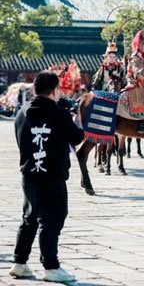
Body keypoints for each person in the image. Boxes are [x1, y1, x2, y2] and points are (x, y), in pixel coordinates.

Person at [10, 71, 85, 282]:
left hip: (30, 174)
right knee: (52, 218)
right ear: (53, 90)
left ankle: (19, 262)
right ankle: (51, 267)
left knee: (30, 217)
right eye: (59, 89)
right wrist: (76, 117)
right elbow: (78, 136)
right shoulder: (58, 113)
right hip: (52, 175)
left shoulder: (22, 112)